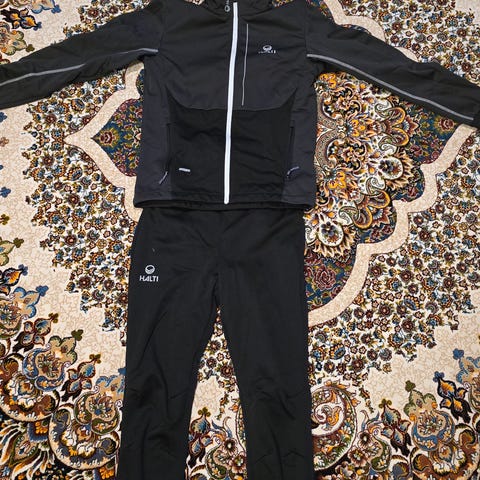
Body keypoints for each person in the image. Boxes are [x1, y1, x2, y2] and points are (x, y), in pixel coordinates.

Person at [0, 0, 479, 478]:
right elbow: (82, 53)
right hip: (173, 220)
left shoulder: (295, 24)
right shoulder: (170, 19)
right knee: (155, 381)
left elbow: (389, 66)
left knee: (277, 385)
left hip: (266, 223)